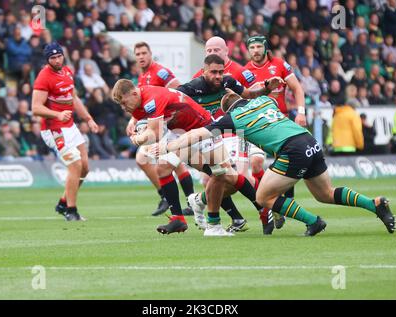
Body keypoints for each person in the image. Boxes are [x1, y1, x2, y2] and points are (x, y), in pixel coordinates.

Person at [162, 92, 396, 236]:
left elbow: (199, 135)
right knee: (326, 193)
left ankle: (313, 222)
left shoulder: (232, 118)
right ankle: (375, 204)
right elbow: (257, 94)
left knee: (263, 197)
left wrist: (170, 146)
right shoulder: (266, 101)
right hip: (309, 141)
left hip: (291, 149)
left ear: (227, 111)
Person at [112, 79, 268, 236]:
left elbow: (155, 133)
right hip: (181, 134)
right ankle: (179, 219)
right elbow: (149, 120)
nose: (124, 108)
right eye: (121, 105)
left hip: (204, 128)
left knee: (226, 175)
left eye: (124, 103)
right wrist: (135, 123)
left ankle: (261, 208)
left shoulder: (152, 97)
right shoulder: (138, 99)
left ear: (133, 93)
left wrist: (137, 139)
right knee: (164, 168)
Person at [177, 54, 281, 234]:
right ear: (203, 72)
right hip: (202, 137)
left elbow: (248, 94)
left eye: (220, 72)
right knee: (222, 176)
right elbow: (166, 99)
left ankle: (205, 206)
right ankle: (255, 211)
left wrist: (266, 88)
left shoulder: (228, 82)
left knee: (233, 176)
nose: (218, 76)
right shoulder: (191, 88)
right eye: (213, 72)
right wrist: (138, 121)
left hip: (230, 132)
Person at [32, 42, 99, 221]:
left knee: (85, 167)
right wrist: (57, 114)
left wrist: (88, 119)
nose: (57, 60)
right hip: (54, 129)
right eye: (52, 58)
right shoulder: (43, 77)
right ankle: (71, 210)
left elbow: (74, 98)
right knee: (75, 165)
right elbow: (36, 108)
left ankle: (63, 203)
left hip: (70, 126)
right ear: (47, 60)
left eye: (59, 56)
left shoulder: (68, 71)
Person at [245, 35, 307, 227]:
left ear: (265, 48)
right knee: (256, 164)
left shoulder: (279, 64)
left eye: (258, 46)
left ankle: (284, 204)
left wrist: (301, 113)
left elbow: (297, 88)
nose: (255, 50)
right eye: (252, 47)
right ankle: (271, 203)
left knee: (289, 164)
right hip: (257, 126)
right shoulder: (245, 71)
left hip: (282, 123)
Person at [128, 41, 195, 217]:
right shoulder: (142, 77)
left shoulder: (160, 72)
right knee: (174, 163)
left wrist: (172, 116)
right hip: (159, 123)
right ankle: (186, 200)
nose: (141, 56)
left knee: (144, 158)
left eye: (144, 53)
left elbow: (178, 89)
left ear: (150, 54)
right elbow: (142, 103)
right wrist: (133, 119)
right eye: (138, 54)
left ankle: (169, 197)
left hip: (166, 123)